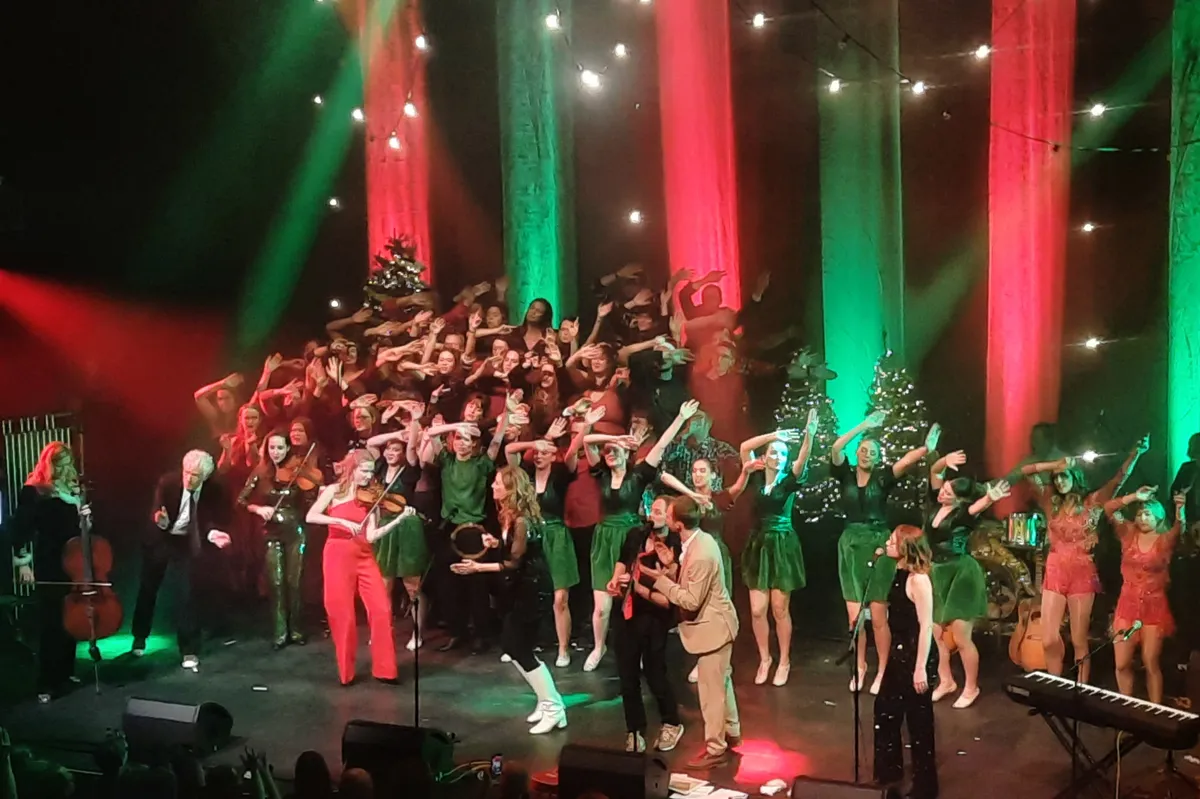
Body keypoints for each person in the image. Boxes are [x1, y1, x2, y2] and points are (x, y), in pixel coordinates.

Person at [582, 399, 700, 671]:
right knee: (602, 606)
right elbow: (587, 442)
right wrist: (613, 438)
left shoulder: (638, 475)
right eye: (608, 450)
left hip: (631, 538)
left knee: (637, 602)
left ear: (627, 453)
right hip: (604, 539)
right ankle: (599, 647)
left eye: (616, 450)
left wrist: (681, 418)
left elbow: (662, 445)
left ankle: (644, 650)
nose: (610, 453)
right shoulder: (601, 474)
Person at [451, 467, 568, 735]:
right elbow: (515, 550)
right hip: (519, 589)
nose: (493, 486)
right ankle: (548, 701)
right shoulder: (510, 516)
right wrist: (495, 544)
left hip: (532, 590)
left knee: (519, 648)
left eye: (497, 483)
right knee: (513, 646)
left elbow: (515, 564)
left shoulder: (523, 520)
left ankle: (554, 708)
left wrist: (477, 568)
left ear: (511, 488)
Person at [1021, 436, 1147, 680]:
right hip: (1055, 570)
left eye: (1064, 476)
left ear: (1075, 476)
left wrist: (1136, 454)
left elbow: (1119, 479)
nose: (1059, 481)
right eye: (1056, 478)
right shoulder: (1050, 501)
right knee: (1048, 639)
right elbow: (1026, 471)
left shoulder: (1093, 502)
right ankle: (1055, 684)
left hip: (1082, 573)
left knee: (1079, 640)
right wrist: (1055, 464)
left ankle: (1081, 688)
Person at [832, 412, 937, 695]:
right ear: (858, 452)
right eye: (864, 450)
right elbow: (837, 447)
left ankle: (882, 670)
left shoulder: (882, 478)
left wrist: (926, 448)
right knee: (855, 619)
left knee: (878, 615)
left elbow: (905, 462)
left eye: (873, 452)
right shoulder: (845, 474)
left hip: (877, 543)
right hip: (850, 544)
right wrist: (864, 425)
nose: (867, 455)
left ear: (878, 458)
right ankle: (860, 667)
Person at [640, 496, 740, 770]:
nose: (664, 518)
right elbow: (690, 581)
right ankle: (731, 731)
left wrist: (660, 580)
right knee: (722, 682)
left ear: (678, 524)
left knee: (710, 693)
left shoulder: (702, 552)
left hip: (714, 628)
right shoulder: (696, 542)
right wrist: (672, 566)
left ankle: (716, 748)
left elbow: (691, 600)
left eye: (668, 515)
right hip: (713, 626)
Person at [306, 449, 413, 685]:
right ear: (352, 469)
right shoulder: (334, 491)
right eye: (364, 471)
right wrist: (340, 521)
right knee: (342, 615)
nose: (368, 476)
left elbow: (372, 535)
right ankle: (346, 672)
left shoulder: (371, 499)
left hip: (364, 556)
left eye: (370, 472)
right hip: (337, 554)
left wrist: (398, 520)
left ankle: (385, 670)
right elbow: (311, 516)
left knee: (382, 610)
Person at [731, 409, 818, 687]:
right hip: (759, 545)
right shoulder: (756, 478)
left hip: (781, 545)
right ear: (765, 456)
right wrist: (774, 435)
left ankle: (784, 661)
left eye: (782, 453)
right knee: (758, 610)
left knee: (779, 609)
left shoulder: (788, 481)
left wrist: (809, 435)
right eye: (773, 452)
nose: (778, 457)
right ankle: (765, 659)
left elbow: (802, 459)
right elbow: (744, 447)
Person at [130, 450, 233, 670]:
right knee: (148, 589)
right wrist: (161, 520)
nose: (189, 479)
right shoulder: (168, 483)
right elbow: (157, 511)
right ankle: (139, 636)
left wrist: (213, 533)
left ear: (205, 477)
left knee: (187, 594)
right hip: (161, 539)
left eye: (195, 475)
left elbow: (209, 518)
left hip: (186, 543)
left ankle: (188, 649)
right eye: (187, 473)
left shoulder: (213, 490)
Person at [925, 453, 1009, 708]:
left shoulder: (963, 512)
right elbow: (934, 472)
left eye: (948, 492)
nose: (942, 493)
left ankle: (971, 687)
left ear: (959, 499)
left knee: (961, 636)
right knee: (936, 633)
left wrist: (990, 498)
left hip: (961, 574)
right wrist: (944, 461)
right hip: (938, 572)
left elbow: (977, 506)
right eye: (944, 488)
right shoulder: (936, 503)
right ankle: (946, 681)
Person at [9, 442, 90, 702]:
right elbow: (21, 528)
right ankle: (46, 682)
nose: (66, 469)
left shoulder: (72, 491)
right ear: (50, 463)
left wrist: (85, 518)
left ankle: (65, 673)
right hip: (50, 562)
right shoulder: (35, 491)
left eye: (68, 463)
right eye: (61, 464)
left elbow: (78, 530)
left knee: (70, 619)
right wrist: (23, 562)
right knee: (52, 622)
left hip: (73, 563)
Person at [605, 496, 685, 754]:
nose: (654, 514)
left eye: (660, 511)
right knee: (627, 676)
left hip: (655, 614)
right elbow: (623, 560)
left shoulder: (675, 544)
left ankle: (671, 722)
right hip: (629, 610)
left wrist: (639, 586)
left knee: (655, 673)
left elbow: (668, 597)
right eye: (653, 510)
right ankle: (635, 730)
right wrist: (616, 580)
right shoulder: (636, 535)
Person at [506, 417, 583, 667]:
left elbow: (572, 454)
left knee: (560, 598)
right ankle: (521, 645)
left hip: (557, 536)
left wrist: (584, 428)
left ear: (553, 456)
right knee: (526, 594)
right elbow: (509, 450)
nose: (539, 456)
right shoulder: (526, 475)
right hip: (532, 535)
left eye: (544, 453)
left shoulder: (560, 475)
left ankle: (563, 649)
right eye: (536, 453)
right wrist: (538, 441)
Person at [1104, 486, 1188, 703]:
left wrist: (1180, 510)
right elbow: (1108, 508)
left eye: (1148, 514)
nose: (1142, 517)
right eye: (1140, 513)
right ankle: (1127, 705)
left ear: (1159, 517)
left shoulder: (1164, 540)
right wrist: (1134, 496)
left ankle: (1155, 711)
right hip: (1127, 606)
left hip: (1154, 607)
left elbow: (1179, 527)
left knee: (1150, 661)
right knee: (1121, 663)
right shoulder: (1127, 535)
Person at [238, 431, 321, 649]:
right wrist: (258, 508)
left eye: (280, 448)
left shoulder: (298, 471)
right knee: (276, 583)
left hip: (295, 531)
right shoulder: (260, 472)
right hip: (271, 532)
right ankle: (280, 632)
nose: (276, 452)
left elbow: (310, 500)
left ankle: (297, 629)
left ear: (288, 449)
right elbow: (241, 500)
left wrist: (312, 485)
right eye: (272, 448)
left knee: (295, 582)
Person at [873, 524, 938, 799]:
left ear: (905, 547)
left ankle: (925, 786)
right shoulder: (899, 573)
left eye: (892, 541)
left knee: (918, 722)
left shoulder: (919, 580)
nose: (887, 544)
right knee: (885, 710)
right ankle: (889, 774)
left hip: (915, 653)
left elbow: (926, 626)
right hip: (900, 652)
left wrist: (920, 667)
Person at [366, 414, 428, 652]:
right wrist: (395, 435)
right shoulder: (380, 467)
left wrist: (414, 424)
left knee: (412, 585)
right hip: (385, 526)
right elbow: (371, 443)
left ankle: (417, 633)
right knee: (383, 585)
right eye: (389, 449)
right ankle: (381, 630)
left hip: (407, 526)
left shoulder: (409, 469)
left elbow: (411, 447)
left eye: (396, 450)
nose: (391, 453)